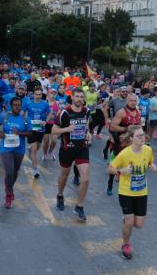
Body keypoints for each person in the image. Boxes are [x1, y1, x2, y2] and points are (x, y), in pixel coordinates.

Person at [108, 125, 157, 260]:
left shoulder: (148, 150)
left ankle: (127, 219)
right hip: (126, 192)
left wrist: (152, 166)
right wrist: (121, 171)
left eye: (143, 135)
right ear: (131, 139)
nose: (142, 138)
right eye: (139, 136)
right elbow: (110, 168)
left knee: (139, 225)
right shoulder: (124, 153)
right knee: (129, 223)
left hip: (141, 192)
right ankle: (125, 244)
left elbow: (150, 162)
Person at [53, 88, 90, 221]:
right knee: (64, 175)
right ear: (72, 98)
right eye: (77, 96)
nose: (79, 99)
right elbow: (53, 130)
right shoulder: (65, 112)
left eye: (81, 96)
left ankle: (79, 206)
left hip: (82, 148)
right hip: (67, 149)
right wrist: (66, 129)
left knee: (85, 179)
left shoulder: (86, 111)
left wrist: (88, 133)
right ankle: (60, 195)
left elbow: (86, 125)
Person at [0, 97, 31, 209]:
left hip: (19, 148)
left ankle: (9, 186)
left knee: (15, 171)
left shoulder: (25, 119)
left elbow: (30, 133)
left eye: (19, 105)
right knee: (9, 170)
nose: (17, 107)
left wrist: (19, 133)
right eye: (15, 105)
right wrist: (0, 132)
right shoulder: (5, 116)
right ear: (11, 106)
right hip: (6, 148)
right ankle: (9, 193)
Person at [24, 87, 51, 179]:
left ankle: (31, 152)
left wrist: (46, 121)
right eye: (36, 94)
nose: (38, 96)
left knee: (37, 147)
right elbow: (23, 113)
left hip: (41, 129)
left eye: (40, 94)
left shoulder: (45, 104)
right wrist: (25, 122)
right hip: (31, 129)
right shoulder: (28, 103)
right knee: (34, 149)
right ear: (33, 94)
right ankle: (36, 169)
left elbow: (50, 113)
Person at [42, 87, 59, 161]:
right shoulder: (44, 103)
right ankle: (45, 154)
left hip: (54, 124)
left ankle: (51, 151)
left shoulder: (57, 103)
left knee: (54, 141)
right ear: (48, 94)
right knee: (46, 141)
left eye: (54, 94)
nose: (53, 95)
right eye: (51, 93)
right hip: (46, 123)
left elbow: (59, 113)